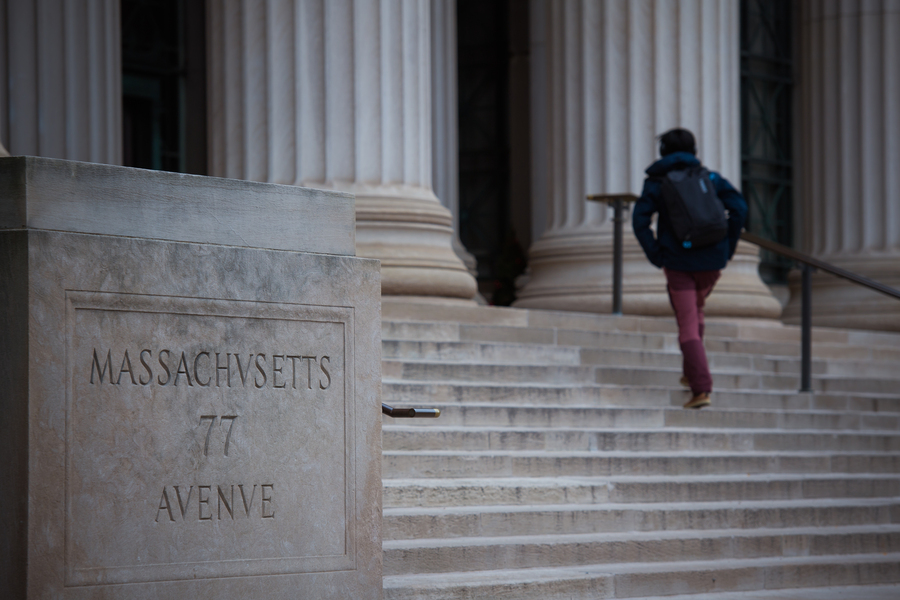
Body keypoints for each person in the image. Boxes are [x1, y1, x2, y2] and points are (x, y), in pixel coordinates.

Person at [632, 128, 747, 409]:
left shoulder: (656, 182)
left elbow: (639, 221)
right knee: (696, 312)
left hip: (679, 262)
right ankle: (690, 373)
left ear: (663, 152)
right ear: (693, 151)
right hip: (712, 262)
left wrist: (657, 254)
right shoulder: (710, 177)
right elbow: (740, 209)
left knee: (688, 326)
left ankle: (701, 389)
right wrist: (727, 247)